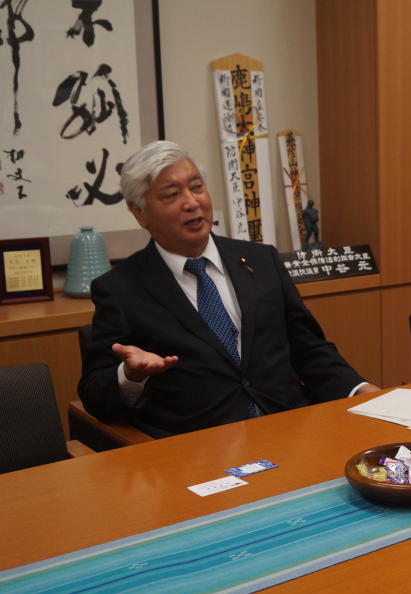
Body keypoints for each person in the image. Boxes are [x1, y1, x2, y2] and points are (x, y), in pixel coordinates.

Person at [78, 141, 379, 437]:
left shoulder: (262, 260)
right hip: (197, 451)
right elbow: (95, 393)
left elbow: (309, 349)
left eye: (196, 188)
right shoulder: (120, 289)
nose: (192, 203)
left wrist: (360, 390)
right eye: (171, 195)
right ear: (139, 213)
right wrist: (130, 375)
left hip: (289, 432)